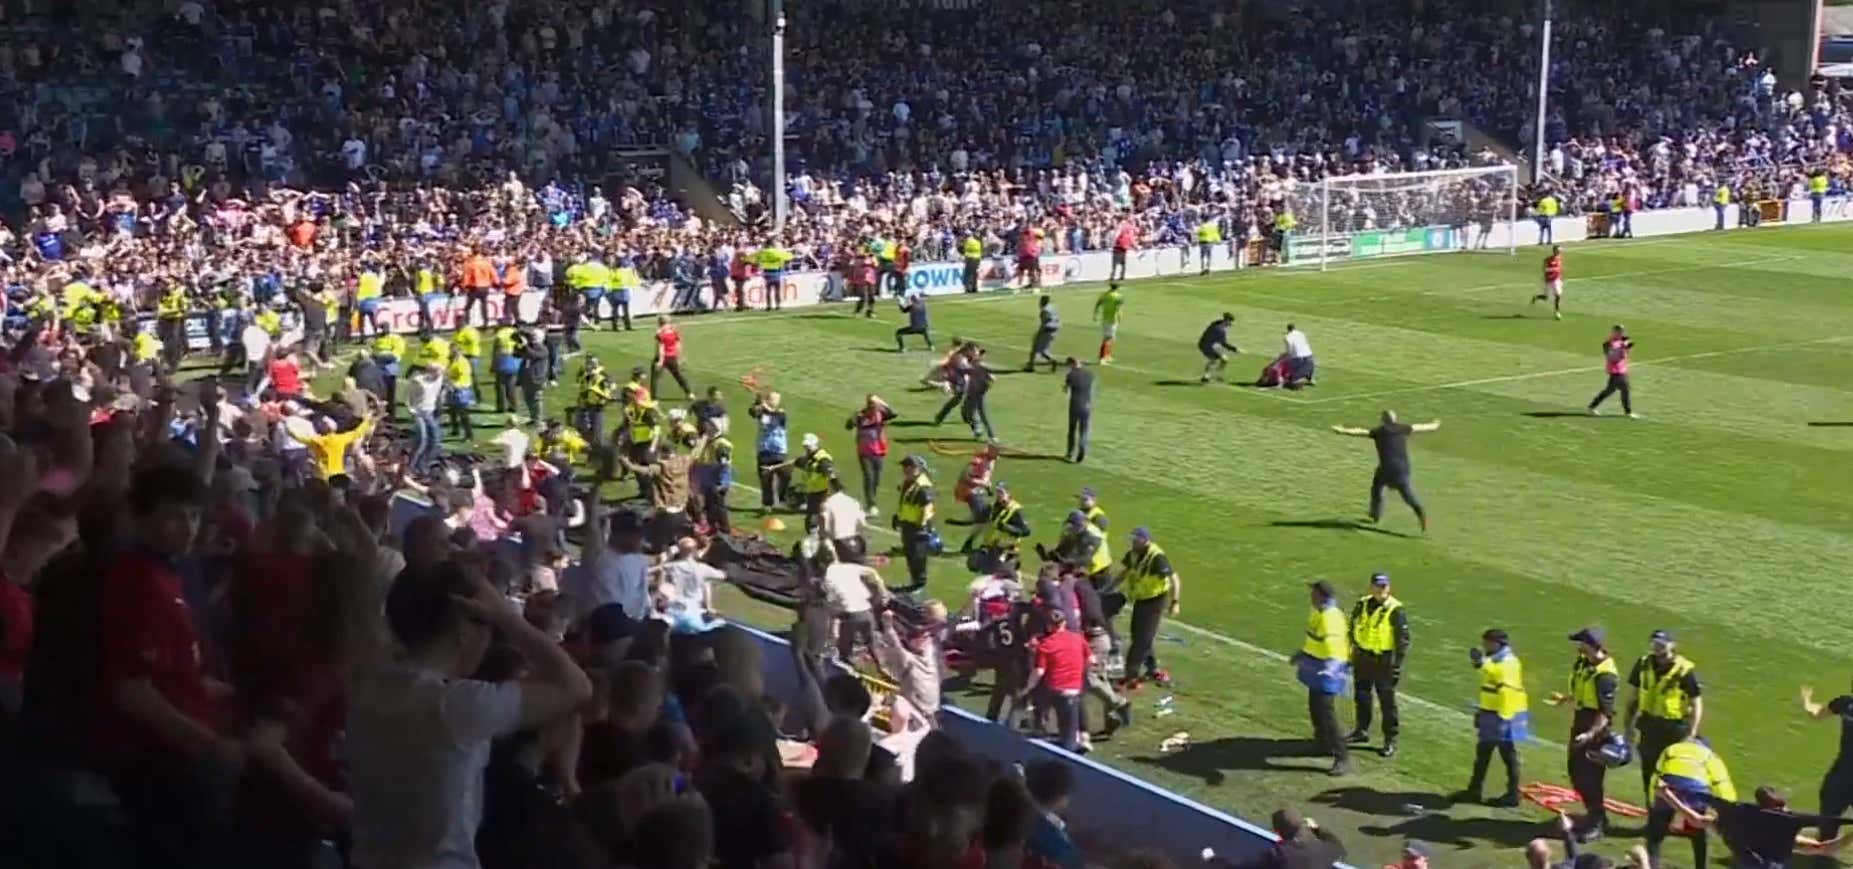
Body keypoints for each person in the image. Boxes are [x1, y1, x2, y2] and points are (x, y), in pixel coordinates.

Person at [349, 561, 593, 869]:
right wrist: (507, 618)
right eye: (486, 623)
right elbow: (576, 686)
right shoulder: (457, 708)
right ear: (463, 628)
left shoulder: (367, 684)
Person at [1545, 627, 1622, 842]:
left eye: (1581, 642)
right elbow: (1581, 689)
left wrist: (1590, 734)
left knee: (1590, 777)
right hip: (1581, 722)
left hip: (1595, 728)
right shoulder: (1583, 661)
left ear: (1590, 644)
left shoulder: (1605, 675)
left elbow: (1605, 713)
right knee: (1576, 771)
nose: (1578, 646)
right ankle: (1594, 814)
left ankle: (1598, 822)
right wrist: (1566, 698)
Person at [1675, 785, 1853, 868]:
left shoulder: (1733, 822)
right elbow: (1825, 848)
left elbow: (1696, 819)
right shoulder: (1784, 835)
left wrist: (1669, 796)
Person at [1626, 628, 1704, 800]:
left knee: (1672, 773)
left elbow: (1696, 703)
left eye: (1662, 643)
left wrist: (1691, 733)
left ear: (1672, 645)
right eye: (1654, 643)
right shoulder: (1643, 664)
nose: (1657, 647)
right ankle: (1652, 813)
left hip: (1674, 728)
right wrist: (1629, 726)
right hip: (1649, 725)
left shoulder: (1684, 670)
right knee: (1648, 772)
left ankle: (1670, 816)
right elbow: (1633, 698)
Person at [1331, 411, 1437, 532]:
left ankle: (1375, 514)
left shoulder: (1380, 431)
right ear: (1395, 419)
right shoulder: (1402, 428)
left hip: (1386, 468)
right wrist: (1433, 426)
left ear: (1383, 420)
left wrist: (1342, 430)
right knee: (1408, 496)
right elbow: (1420, 427)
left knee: (1377, 488)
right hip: (1402, 469)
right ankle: (1421, 514)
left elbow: (1360, 432)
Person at [1460, 628, 1529, 807]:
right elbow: (1489, 670)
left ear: (1497, 644)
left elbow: (1507, 693)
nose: (1485, 646)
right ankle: (1475, 790)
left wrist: (1504, 720)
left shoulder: (1507, 665)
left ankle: (1512, 794)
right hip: (1493, 712)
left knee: (1507, 754)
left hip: (1503, 715)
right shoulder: (1499, 660)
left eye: (1487, 643)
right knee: (1485, 752)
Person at [1646, 735, 1736, 868]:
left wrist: (1652, 801)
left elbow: (1656, 776)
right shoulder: (1710, 756)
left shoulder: (1671, 749)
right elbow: (1723, 784)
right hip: (1695, 792)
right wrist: (1729, 811)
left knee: (1655, 835)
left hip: (1668, 788)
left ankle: (1652, 865)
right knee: (1698, 834)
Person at [1295, 580, 1354, 776]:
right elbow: (1315, 638)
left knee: (1327, 714)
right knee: (1316, 708)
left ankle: (1341, 756)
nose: (1311, 597)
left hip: (1329, 670)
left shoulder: (1330, 618)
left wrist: (1332, 668)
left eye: (1314, 593)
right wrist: (1302, 653)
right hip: (1317, 667)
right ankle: (1323, 742)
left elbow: (1336, 648)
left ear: (1321, 596)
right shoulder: (1320, 612)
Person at [1347, 573, 1410, 758]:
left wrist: (1396, 666)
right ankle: (1361, 730)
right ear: (1372, 587)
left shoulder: (1396, 610)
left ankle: (1390, 740)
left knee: (1387, 703)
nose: (1382, 590)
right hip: (1364, 656)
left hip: (1384, 660)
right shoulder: (1363, 603)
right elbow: (1353, 625)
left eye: (1384, 586)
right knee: (1362, 696)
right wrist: (1354, 648)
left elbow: (1403, 641)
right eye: (1378, 586)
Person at [1020, 608, 1090, 752]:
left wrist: (1028, 688)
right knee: (1069, 728)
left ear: (1049, 625)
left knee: (1066, 735)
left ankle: (1040, 727)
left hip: (1056, 691)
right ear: (1064, 623)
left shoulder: (1046, 645)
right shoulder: (1078, 638)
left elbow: (1039, 671)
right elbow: (1091, 659)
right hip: (1075, 689)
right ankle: (1078, 738)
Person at [1801, 678, 1853, 838]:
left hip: (1842, 774)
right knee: (1829, 814)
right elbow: (1818, 713)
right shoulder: (1844, 704)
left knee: (1829, 816)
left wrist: (1806, 702)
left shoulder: (1846, 704)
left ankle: (1824, 851)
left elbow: (1817, 714)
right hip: (1842, 773)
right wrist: (1807, 702)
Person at [892, 455, 937, 592]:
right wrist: (898, 517)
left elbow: (927, 507)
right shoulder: (908, 482)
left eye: (909, 467)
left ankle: (919, 585)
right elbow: (905, 503)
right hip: (907, 524)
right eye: (904, 466)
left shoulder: (923, 486)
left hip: (917, 527)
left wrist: (922, 525)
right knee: (910, 555)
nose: (905, 469)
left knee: (918, 556)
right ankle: (913, 583)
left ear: (917, 468)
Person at [846, 394, 897, 513]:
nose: (874, 408)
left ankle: (871, 499)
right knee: (869, 477)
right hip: (864, 452)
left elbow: (894, 413)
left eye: (876, 405)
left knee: (876, 479)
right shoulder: (860, 416)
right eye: (872, 405)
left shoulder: (881, 414)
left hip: (879, 451)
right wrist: (854, 417)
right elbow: (848, 426)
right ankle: (871, 504)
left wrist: (882, 402)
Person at [973, 481, 1032, 574]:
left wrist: (1006, 528)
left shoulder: (1015, 510)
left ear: (1008, 494)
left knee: (1001, 577)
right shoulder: (995, 506)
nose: (998, 495)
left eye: (1001, 492)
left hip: (1007, 551)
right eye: (997, 492)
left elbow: (1026, 531)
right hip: (992, 548)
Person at [750, 392, 791, 513]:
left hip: (779, 451)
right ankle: (767, 504)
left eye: (774, 399)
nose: (772, 401)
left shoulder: (781, 413)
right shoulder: (763, 412)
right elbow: (752, 412)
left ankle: (783, 498)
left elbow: (775, 418)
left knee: (786, 476)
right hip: (764, 450)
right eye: (770, 399)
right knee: (765, 479)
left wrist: (763, 405)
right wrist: (756, 403)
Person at [1587, 325, 1637, 418]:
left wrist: (1628, 348)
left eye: (1623, 331)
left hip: (1621, 370)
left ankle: (1592, 406)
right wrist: (1624, 348)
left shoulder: (1621, 341)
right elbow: (1613, 357)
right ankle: (1628, 412)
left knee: (1609, 391)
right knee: (1625, 389)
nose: (1622, 333)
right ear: (1615, 332)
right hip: (1616, 371)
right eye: (1620, 332)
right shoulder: (1611, 343)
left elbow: (1626, 354)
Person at [789, 433, 837, 531]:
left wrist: (837, 490)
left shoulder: (822, 459)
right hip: (813, 492)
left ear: (815, 445)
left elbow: (831, 475)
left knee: (815, 521)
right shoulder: (809, 457)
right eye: (805, 447)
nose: (807, 448)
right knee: (810, 521)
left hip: (822, 493)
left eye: (808, 446)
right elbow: (795, 462)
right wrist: (773, 468)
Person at [1061, 357, 1094, 464]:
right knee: (1084, 431)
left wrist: (1065, 386)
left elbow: (1066, 389)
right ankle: (1082, 449)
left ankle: (1070, 453)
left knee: (1072, 430)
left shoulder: (1071, 375)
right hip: (1087, 405)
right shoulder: (1090, 374)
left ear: (1071, 364)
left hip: (1075, 405)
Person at [651, 315, 692, 399]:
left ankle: (653, 397)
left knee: (655, 378)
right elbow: (678, 344)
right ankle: (689, 393)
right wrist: (680, 357)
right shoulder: (674, 331)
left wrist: (660, 361)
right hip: (672, 357)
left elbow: (660, 347)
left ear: (659, 323)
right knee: (678, 375)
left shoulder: (660, 332)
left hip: (662, 357)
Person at [1197, 313, 1239, 383]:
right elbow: (1223, 343)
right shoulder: (1219, 330)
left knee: (1224, 359)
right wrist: (1235, 349)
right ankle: (1207, 376)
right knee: (1214, 359)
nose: (1231, 323)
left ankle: (1215, 375)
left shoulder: (1216, 323)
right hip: (1205, 346)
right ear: (1226, 320)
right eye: (1230, 321)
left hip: (1210, 344)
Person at [1025, 295, 1061, 372]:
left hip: (1046, 331)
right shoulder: (1052, 307)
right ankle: (1030, 366)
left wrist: (1038, 333)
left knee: (1041, 350)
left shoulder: (1045, 311)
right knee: (1035, 348)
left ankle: (1052, 361)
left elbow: (1045, 323)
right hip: (1054, 330)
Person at [1093, 282, 1124, 364]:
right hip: (1112, 320)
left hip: (1105, 319)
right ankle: (1102, 358)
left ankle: (1107, 356)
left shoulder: (1105, 294)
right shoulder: (1118, 297)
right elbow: (1118, 309)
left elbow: (1098, 304)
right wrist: (1120, 318)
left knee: (1109, 338)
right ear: (1118, 287)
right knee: (1108, 339)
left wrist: (1095, 314)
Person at [1533, 245, 1565, 320]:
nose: (1559, 252)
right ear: (1554, 251)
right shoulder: (1547, 260)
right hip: (1548, 280)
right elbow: (1544, 269)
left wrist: (1560, 278)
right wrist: (1553, 269)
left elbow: (1559, 270)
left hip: (1556, 280)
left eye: (1560, 250)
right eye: (1558, 250)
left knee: (1558, 295)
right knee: (1546, 297)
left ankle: (1557, 311)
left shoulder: (1559, 259)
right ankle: (1536, 297)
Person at [1281, 323, 1316, 388]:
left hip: (1297, 356)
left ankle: (1297, 381)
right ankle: (1311, 379)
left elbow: (1289, 349)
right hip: (1308, 353)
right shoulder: (1301, 333)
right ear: (1294, 328)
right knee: (1311, 367)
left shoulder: (1287, 337)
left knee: (1295, 372)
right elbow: (1305, 342)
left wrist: (1287, 356)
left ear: (1288, 329)